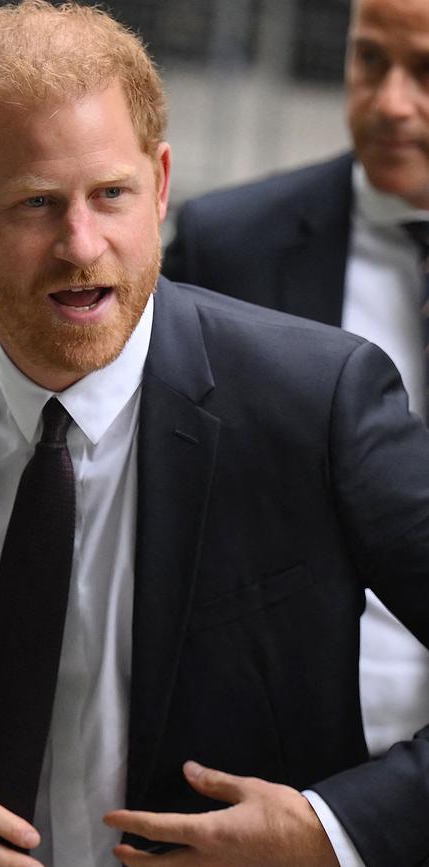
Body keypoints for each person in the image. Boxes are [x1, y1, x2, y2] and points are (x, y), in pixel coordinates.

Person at [0, 2, 429, 866]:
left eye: (112, 195)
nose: (82, 246)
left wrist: (331, 831)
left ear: (161, 184)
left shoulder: (318, 401)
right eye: (37, 204)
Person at [163, 0, 429, 762]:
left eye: (426, 72)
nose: (389, 103)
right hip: (277, 777)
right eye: (370, 58)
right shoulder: (231, 246)